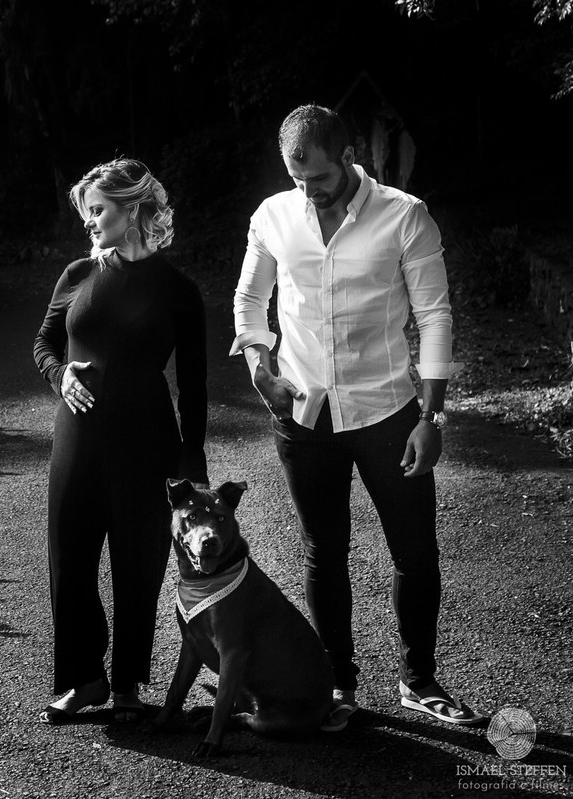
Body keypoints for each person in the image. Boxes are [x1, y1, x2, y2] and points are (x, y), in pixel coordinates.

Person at [231, 104, 483, 726]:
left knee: (415, 553)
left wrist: (434, 416)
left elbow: (435, 317)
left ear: (348, 159)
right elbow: (249, 300)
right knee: (324, 551)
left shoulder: (404, 216)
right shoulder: (274, 215)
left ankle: (419, 681)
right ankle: (337, 683)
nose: (306, 192)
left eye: (316, 178)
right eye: (295, 179)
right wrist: (262, 370)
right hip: (305, 415)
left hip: (388, 412)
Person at [34, 158, 209, 724]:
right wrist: (59, 374)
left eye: (98, 209)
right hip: (77, 438)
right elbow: (42, 343)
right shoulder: (76, 275)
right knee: (70, 557)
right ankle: (83, 678)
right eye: (86, 212)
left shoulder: (178, 289)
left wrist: (192, 459)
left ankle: (130, 682)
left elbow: (197, 385)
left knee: (139, 562)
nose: (89, 222)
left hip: (147, 440)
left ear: (132, 208)